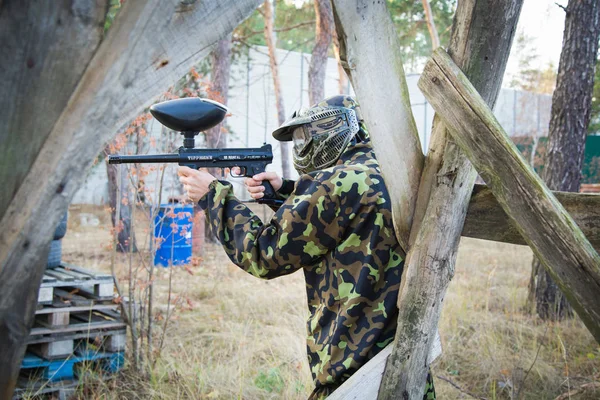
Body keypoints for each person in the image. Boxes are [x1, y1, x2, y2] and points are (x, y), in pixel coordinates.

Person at [178, 95, 436, 399]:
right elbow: (342, 219)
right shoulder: (390, 170)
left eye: (305, 136)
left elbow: (263, 254)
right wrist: (284, 192)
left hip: (354, 371)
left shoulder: (333, 183)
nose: (302, 146)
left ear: (334, 129)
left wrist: (213, 196)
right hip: (406, 356)